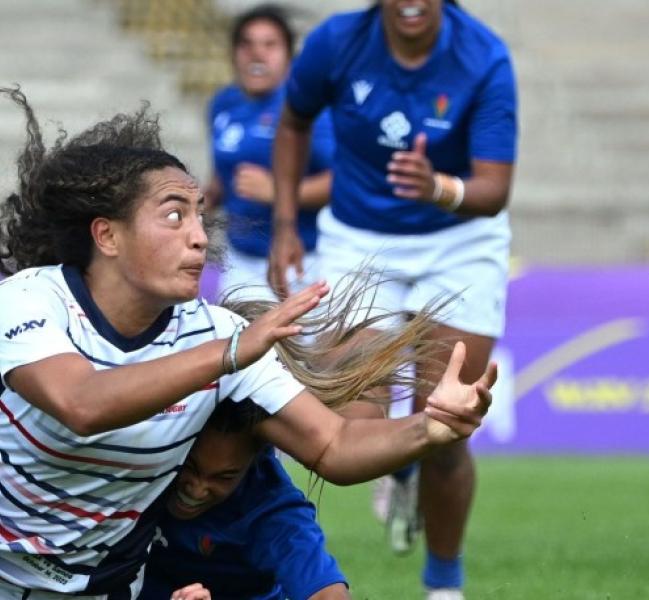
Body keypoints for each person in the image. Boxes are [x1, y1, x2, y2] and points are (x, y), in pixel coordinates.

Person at [0, 86, 495, 598]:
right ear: (107, 236)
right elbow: (80, 403)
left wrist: (429, 429)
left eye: (198, 214)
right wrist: (229, 356)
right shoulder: (31, 300)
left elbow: (334, 444)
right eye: (174, 215)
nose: (198, 235)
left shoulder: (218, 335)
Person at [267, 1, 517, 598]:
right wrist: (283, 225)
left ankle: (443, 583)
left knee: (448, 422)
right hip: (361, 238)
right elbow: (293, 123)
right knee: (354, 422)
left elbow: (494, 188)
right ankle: (400, 462)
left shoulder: (484, 57)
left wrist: (439, 187)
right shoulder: (335, 42)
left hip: (459, 240)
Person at [142, 399, 349, 600]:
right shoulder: (134, 471)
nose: (197, 490)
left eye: (224, 477)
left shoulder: (269, 507)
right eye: (189, 466)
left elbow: (326, 591)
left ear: (254, 460)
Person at [207, 4, 334, 301]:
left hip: (304, 258)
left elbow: (342, 181)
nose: (256, 54)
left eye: (269, 44)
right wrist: (201, 202)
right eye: (246, 43)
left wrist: (278, 191)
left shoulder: (305, 110)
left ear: (289, 56)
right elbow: (223, 176)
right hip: (238, 257)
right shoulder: (222, 104)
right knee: (242, 345)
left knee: (302, 347)